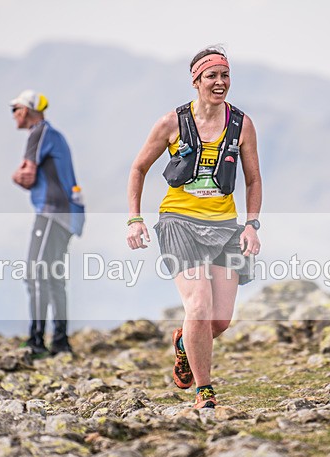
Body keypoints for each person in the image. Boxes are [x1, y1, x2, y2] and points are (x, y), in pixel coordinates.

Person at [126, 46, 263, 409]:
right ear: (196, 81)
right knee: (198, 305)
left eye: (225, 76)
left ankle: (185, 343)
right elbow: (138, 168)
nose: (220, 83)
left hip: (225, 227)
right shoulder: (172, 123)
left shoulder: (241, 124)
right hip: (179, 223)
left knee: (218, 321)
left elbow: (253, 179)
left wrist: (251, 225)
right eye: (212, 76)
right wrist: (135, 218)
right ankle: (205, 393)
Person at [10, 89, 85, 357]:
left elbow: (27, 175)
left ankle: (37, 341)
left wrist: (16, 176)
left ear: (27, 110)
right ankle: (61, 342)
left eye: (14, 109)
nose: (13, 115)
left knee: (36, 275)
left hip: (52, 213)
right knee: (53, 278)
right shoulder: (54, 135)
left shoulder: (39, 133)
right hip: (68, 214)